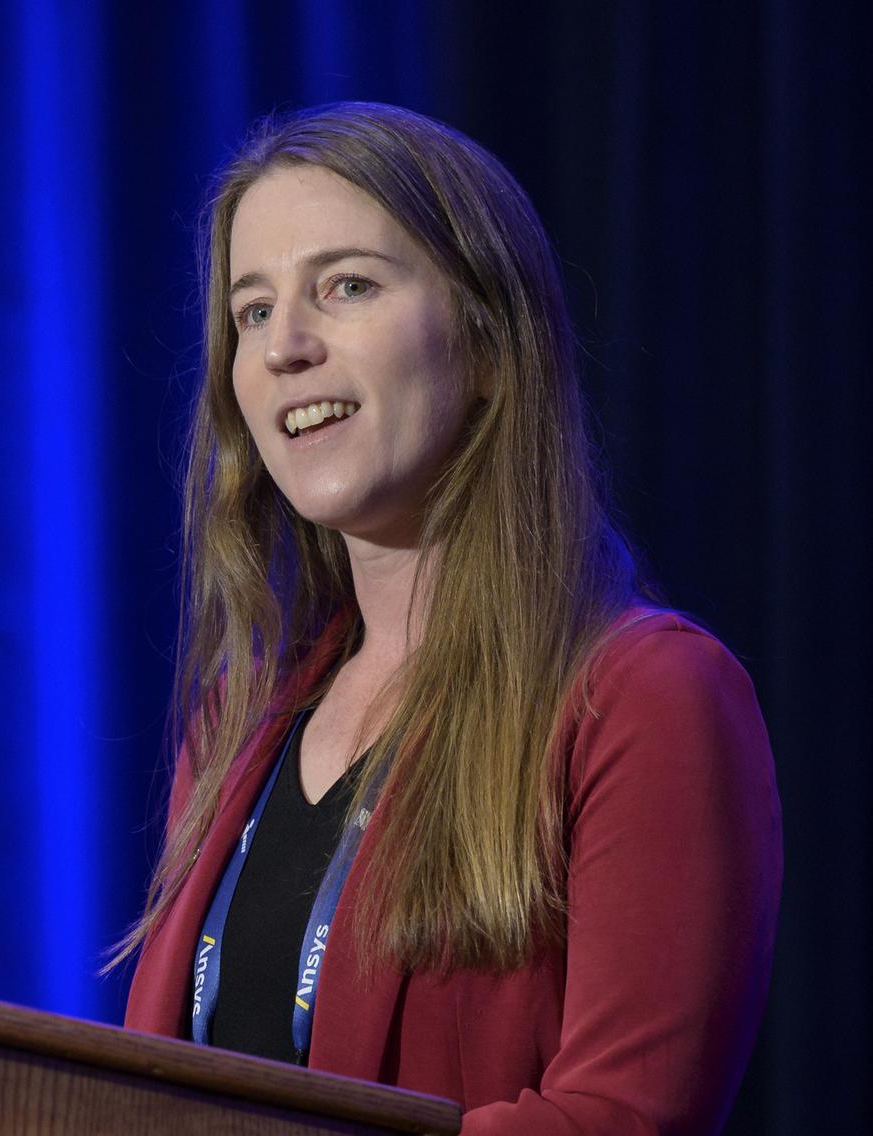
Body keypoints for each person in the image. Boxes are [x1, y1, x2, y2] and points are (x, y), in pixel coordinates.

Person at [119, 102, 781, 1134]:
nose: (284, 345)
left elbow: (618, 1116)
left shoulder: (647, 700)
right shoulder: (237, 718)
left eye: (346, 286)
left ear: (485, 345)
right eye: (251, 310)